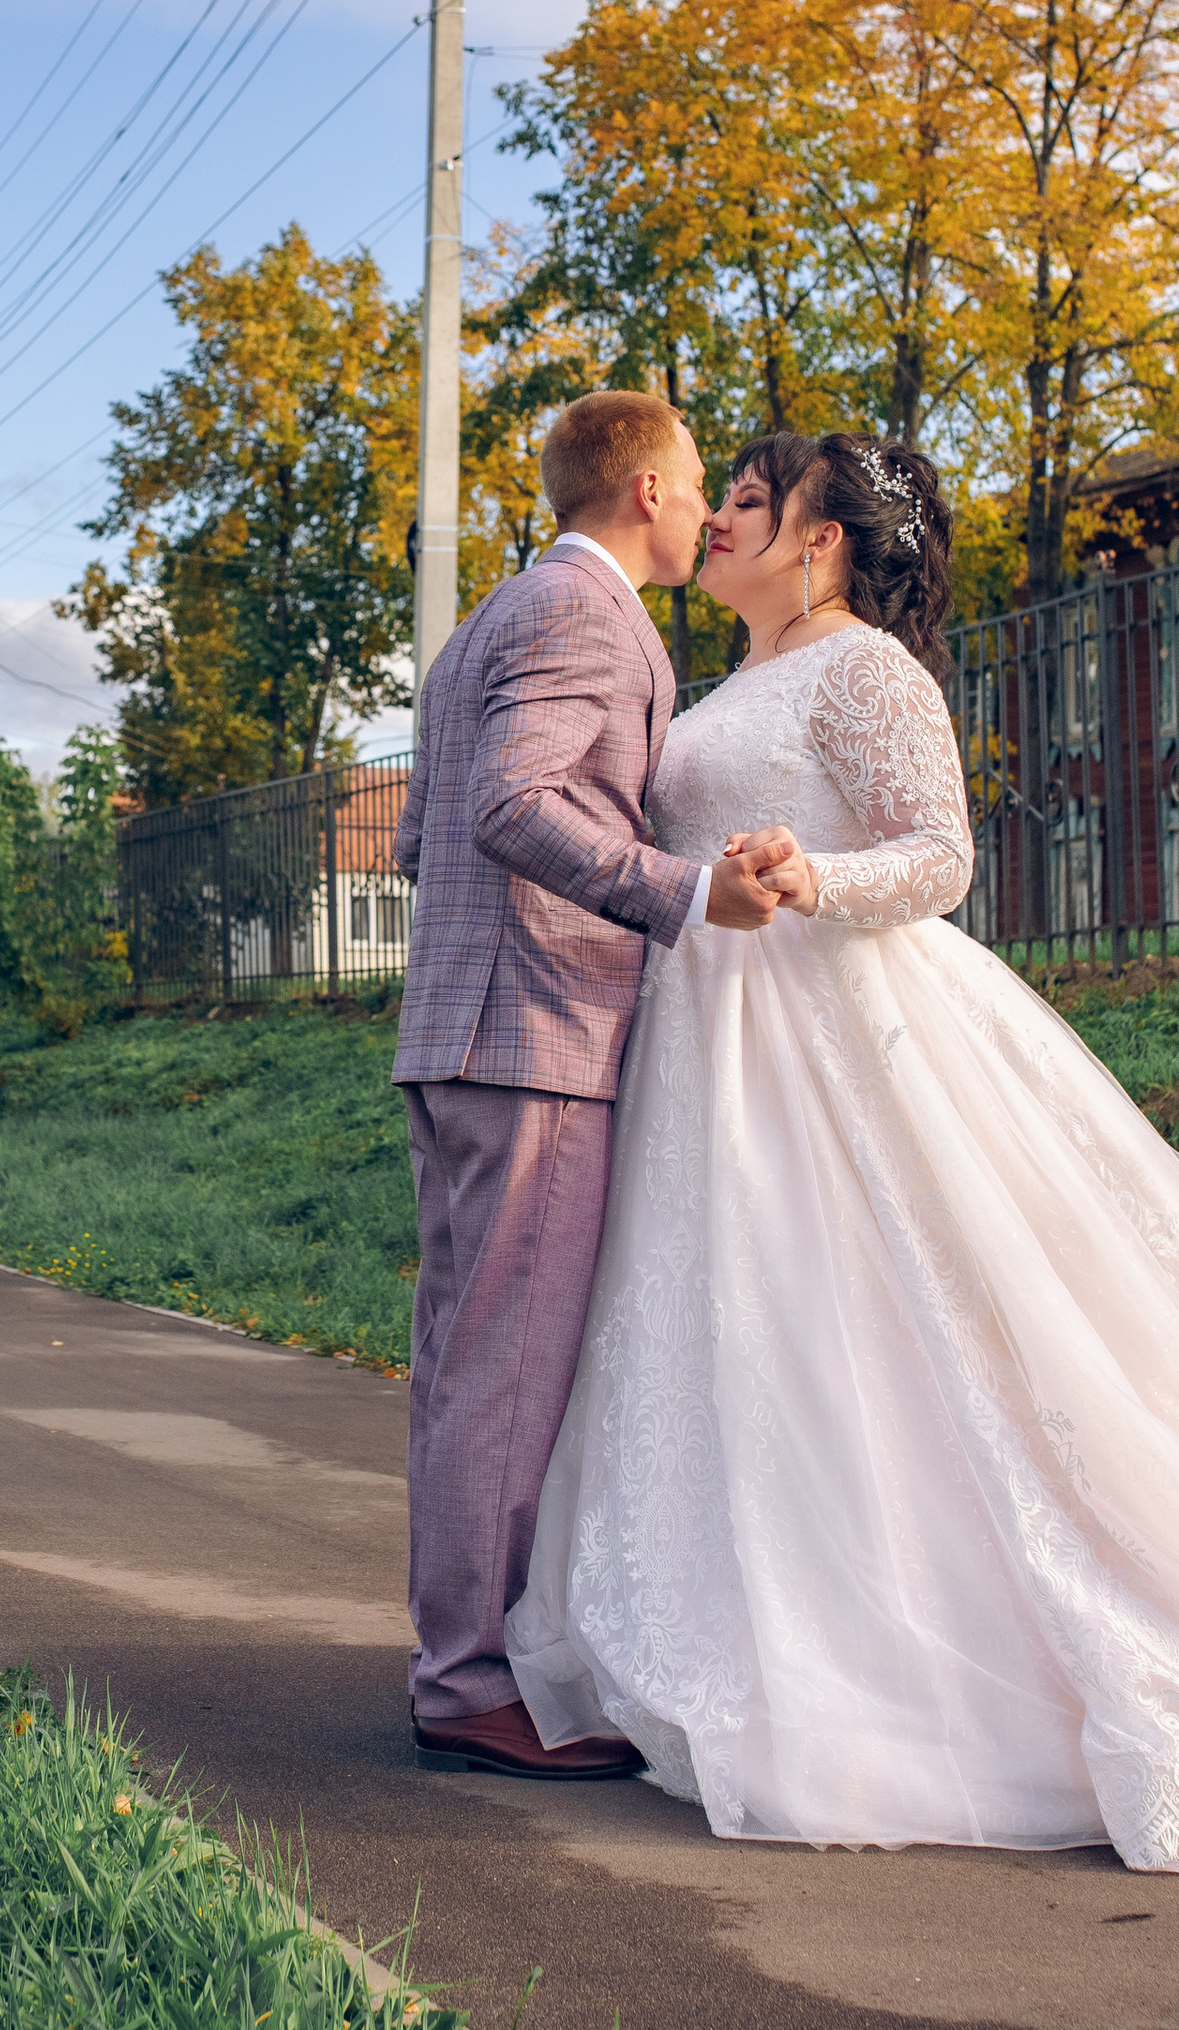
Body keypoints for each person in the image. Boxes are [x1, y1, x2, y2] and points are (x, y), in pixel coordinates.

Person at [506, 428, 1179, 1874]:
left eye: (753, 499)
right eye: (724, 492)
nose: (724, 516)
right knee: (744, 1333)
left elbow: (941, 855)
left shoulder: (867, 668)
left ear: (822, 543)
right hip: (714, 1044)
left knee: (890, 1325)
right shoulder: (727, 681)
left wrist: (814, 876)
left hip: (838, 1025)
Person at [390, 388, 793, 1782]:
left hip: (456, 1035)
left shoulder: (488, 620)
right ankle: (468, 1687)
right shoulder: (584, 614)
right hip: (537, 1042)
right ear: (643, 492)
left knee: (458, 1368)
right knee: (500, 1376)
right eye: (693, 486)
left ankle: (457, 1664)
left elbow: (423, 839)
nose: (703, 508)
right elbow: (511, 804)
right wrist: (681, 894)